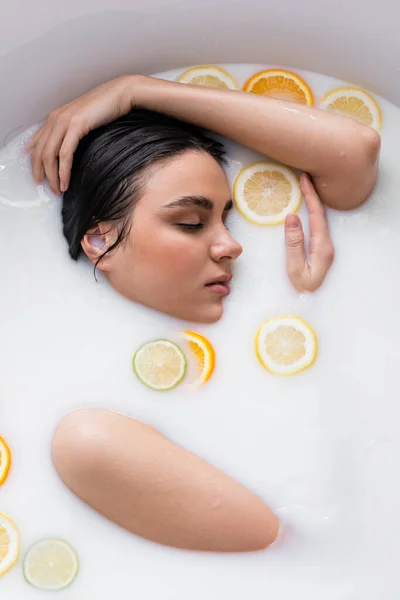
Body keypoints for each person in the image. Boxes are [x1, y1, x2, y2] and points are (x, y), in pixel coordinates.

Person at [29, 74, 381, 551]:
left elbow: (356, 148)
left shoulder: (296, 277)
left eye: (226, 218)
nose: (232, 245)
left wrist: (134, 90)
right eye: (191, 223)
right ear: (99, 240)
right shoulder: (86, 425)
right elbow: (296, 542)